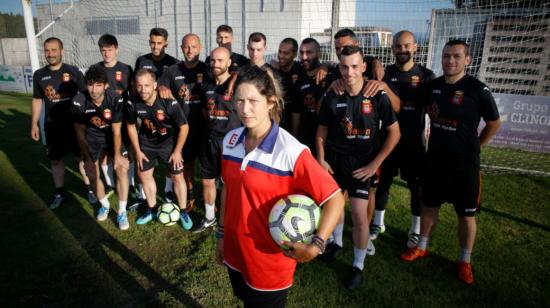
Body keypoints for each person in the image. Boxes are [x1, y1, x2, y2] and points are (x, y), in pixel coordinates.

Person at [215, 65, 345, 307]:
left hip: (269, 261)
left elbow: (335, 199)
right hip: (235, 248)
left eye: (253, 100)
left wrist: (316, 246)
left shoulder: (291, 151)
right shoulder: (231, 140)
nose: (245, 109)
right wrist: (222, 235)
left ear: (271, 102)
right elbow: (227, 191)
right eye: (240, 100)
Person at [400, 39, 501, 285]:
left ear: (467, 60)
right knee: (429, 206)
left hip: (464, 167)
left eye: (456, 56)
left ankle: (464, 261)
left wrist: (476, 145)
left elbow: (494, 122)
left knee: (466, 216)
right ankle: (421, 246)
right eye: (446, 56)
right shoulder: (432, 87)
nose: (450, 61)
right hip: (434, 162)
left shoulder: (478, 90)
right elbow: (420, 109)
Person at [316, 46, 400, 289]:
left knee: (360, 216)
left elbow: (395, 133)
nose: (349, 72)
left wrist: (375, 164)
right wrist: (321, 159)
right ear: (339, 68)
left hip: (362, 165)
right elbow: (321, 130)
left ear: (364, 67)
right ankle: (337, 243)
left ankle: (358, 266)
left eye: (355, 66)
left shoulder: (377, 96)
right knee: (335, 207)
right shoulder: (333, 95)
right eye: (344, 66)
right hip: (334, 161)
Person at [370, 31, 436, 248]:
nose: (402, 50)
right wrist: (376, 61)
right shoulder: (385, 74)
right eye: (397, 46)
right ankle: (377, 224)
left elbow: (432, 110)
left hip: (413, 143)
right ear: (392, 49)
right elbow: (361, 61)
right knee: (383, 184)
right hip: (387, 140)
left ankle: (415, 230)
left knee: (416, 188)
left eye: (406, 45)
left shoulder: (427, 76)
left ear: (415, 47)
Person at [30, 37, 94, 209]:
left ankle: (90, 189)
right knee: (56, 160)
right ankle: (59, 193)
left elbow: (86, 97)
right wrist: (34, 123)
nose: (50, 54)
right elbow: (37, 100)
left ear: (62, 51)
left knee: (82, 157)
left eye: (53, 50)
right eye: (47, 50)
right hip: (52, 126)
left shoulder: (73, 72)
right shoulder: (39, 75)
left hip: (75, 125)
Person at [126, 68, 193, 230]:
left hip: (169, 145)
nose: (143, 90)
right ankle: (152, 209)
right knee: (144, 175)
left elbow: (184, 127)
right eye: (139, 85)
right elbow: (130, 126)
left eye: (147, 85)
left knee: (177, 176)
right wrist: (137, 150)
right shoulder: (132, 102)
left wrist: (177, 152)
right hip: (146, 145)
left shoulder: (168, 101)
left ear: (155, 85)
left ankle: (183, 211)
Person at [71, 65, 130, 230]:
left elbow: (117, 130)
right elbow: (80, 133)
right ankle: (104, 205)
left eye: (98, 85)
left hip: (112, 137)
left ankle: (122, 212)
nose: (94, 89)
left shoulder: (115, 99)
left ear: (105, 85)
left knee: (122, 168)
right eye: (90, 84)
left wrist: (117, 155)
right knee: (91, 171)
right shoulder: (79, 101)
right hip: (91, 139)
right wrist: (87, 157)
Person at [158, 33, 209, 212]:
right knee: (187, 164)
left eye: (194, 47)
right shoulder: (172, 70)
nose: (190, 50)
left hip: (205, 126)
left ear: (200, 48)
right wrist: (163, 87)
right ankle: (190, 193)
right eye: (186, 47)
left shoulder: (208, 69)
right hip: (183, 127)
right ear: (181, 48)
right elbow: (160, 84)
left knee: (207, 164)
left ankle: (210, 198)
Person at [193, 47, 241, 233]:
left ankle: (230, 218)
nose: (215, 64)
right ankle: (210, 217)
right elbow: (206, 110)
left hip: (233, 143)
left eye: (220, 60)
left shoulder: (238, 84)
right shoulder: (206, 86)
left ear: (229, 63)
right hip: (210, 140)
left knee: (231, 184)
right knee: (207, 181)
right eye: (213, 60)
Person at [135, 27, 178, 205]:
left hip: (166, 114)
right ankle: (142, 194)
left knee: (168, 157)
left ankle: (168, 189)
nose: (155, 46)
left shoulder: (173, 63)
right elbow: (136, 83)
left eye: (159, 43)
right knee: (142, 155)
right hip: (146, 114)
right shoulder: (142, 60)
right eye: (152, 42)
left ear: (165, 43)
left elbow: (174, 88)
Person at [92, 33, 136, 200]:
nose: (107, 54)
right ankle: (110, 183)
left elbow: (131, 93)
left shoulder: (126, 69)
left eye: (110, 50)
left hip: (123, 117)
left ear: (117, 49)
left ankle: (131, 183)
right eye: (103, 50)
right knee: (105, 153)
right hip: (103, 118)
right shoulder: (95, 69)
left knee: (128, 150)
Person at [291, 38, 326, 155]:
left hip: (327, 142)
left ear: (319, 53)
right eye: (301, 53)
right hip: (306, 141)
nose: (304, 57)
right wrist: (295, 140)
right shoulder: (298, 79)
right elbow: (296, 112)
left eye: (309, 52)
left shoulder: (330, 76)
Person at [270, 38, 303, 131]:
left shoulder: (300, 70)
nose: (281, 56)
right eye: (280, 52)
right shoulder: (273, 70)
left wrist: (324, 66)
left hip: (297, 124)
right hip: (277, 122)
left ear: (294, 54)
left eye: (286, 53)